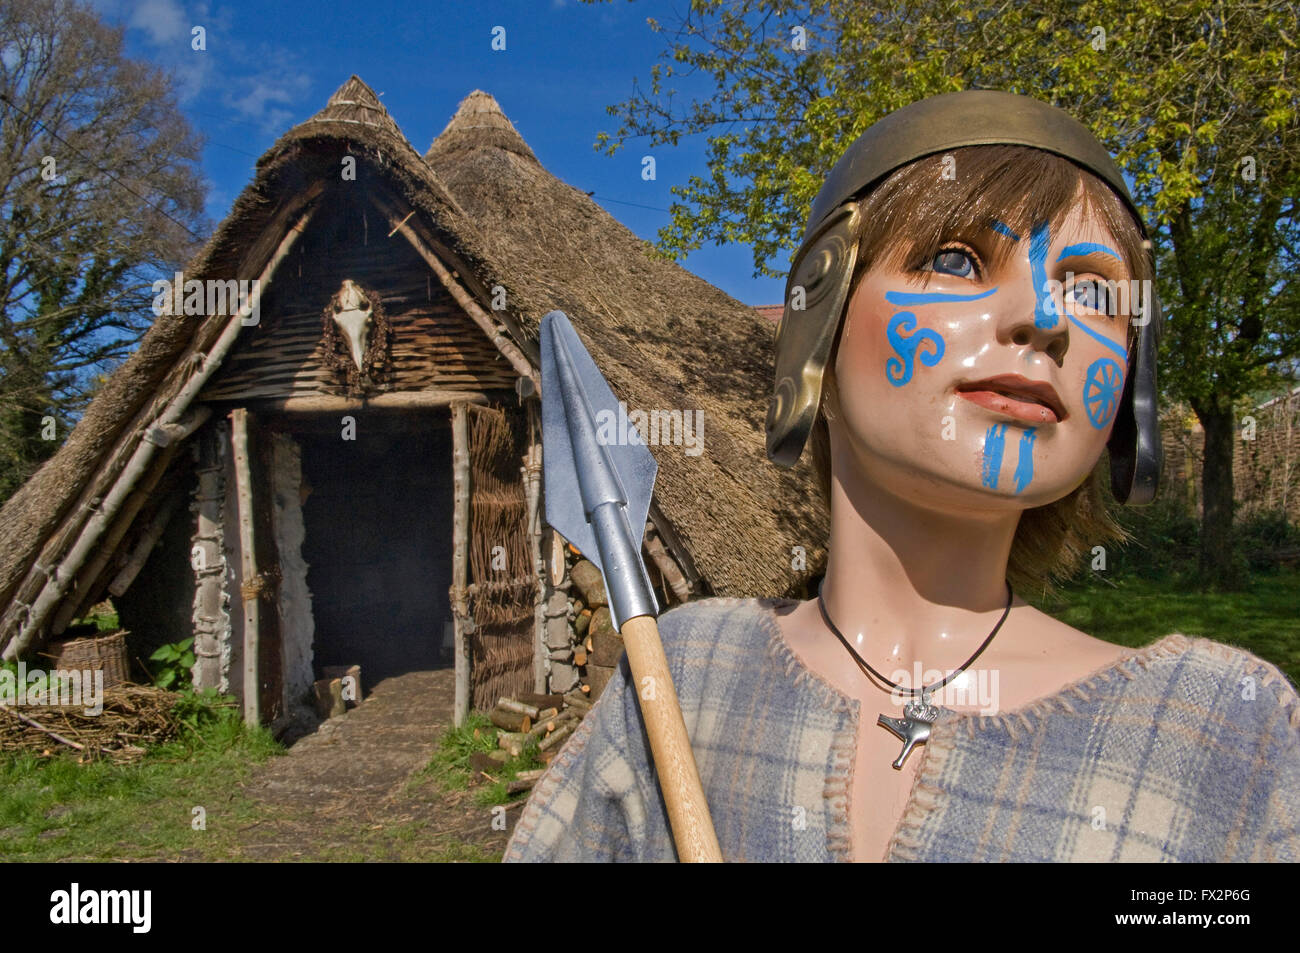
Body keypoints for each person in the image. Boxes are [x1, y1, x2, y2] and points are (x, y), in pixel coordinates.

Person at [504, 90, 1300, 862]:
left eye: (1091, 289)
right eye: (955, 260)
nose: (1046, 320)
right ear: (821, 319)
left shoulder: (1222, 733)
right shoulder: (681, 672)